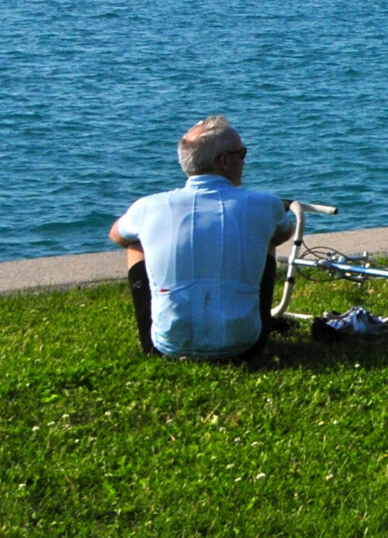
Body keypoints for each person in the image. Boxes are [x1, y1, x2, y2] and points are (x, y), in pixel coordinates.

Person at [109, 116, 294, 361]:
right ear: (225, 161)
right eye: (243, 153)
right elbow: (285, 232)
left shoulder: (148, 206)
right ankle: (259, 319)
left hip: (169, 346)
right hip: (246, 345)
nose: (245, 161)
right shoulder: (264, 203)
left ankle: (157, 328)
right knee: (267, 239)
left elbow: (117, 235)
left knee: (135, 243)